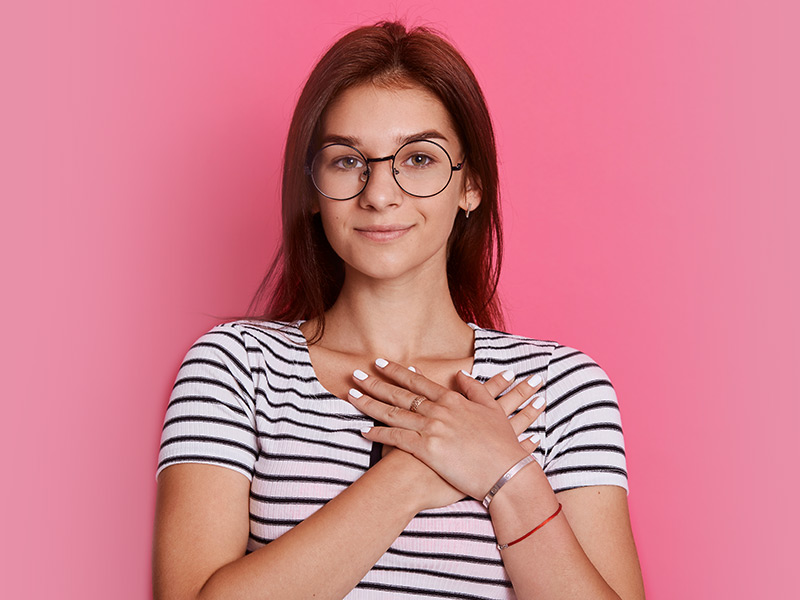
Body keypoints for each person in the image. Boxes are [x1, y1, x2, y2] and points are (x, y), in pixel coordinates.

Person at [153, 21, 645, 600]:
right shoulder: (236, 367)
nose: (379, 194)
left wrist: (507, 476)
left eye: (417, 159)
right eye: (346, 161)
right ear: (311, 188)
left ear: (471, 186)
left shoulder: (559, 388)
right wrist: (409, 476)